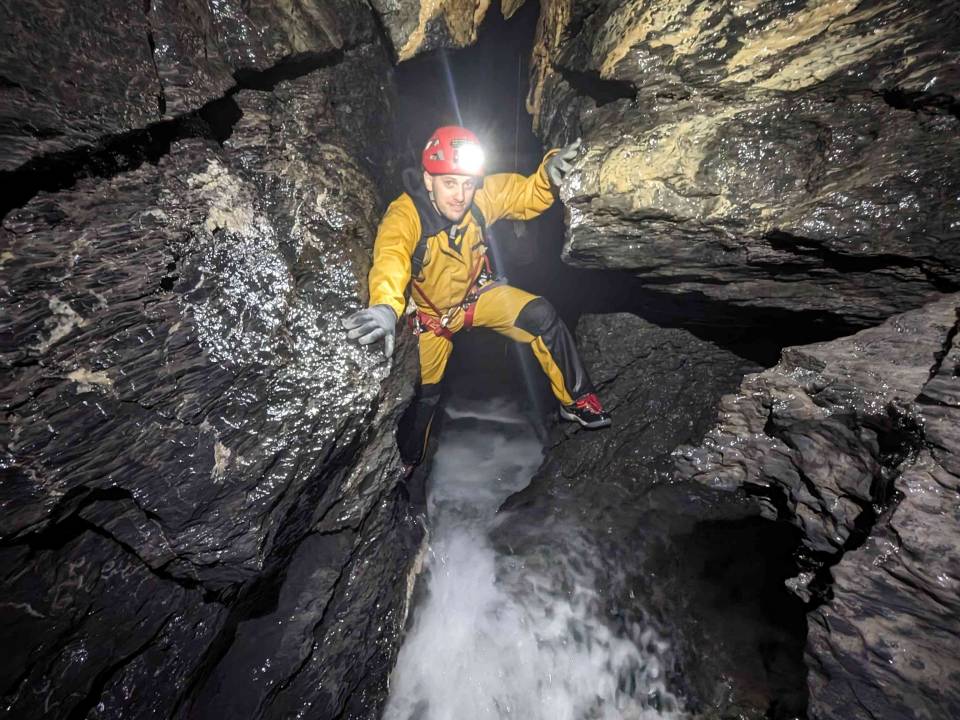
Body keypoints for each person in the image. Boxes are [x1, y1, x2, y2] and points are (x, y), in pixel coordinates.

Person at [342, 125, 611, 471]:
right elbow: (391, 257)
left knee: (540, 316)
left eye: (467, 183)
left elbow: (525, 193)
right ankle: (410, 469)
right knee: (425, 400)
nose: (460, 195)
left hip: (474, 298)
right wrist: (384, 306)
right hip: (429, 321)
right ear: (428, 180)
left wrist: (547, 174)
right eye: (449, 183)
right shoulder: (405, 215)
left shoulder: (479, 200)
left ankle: (575, 401)